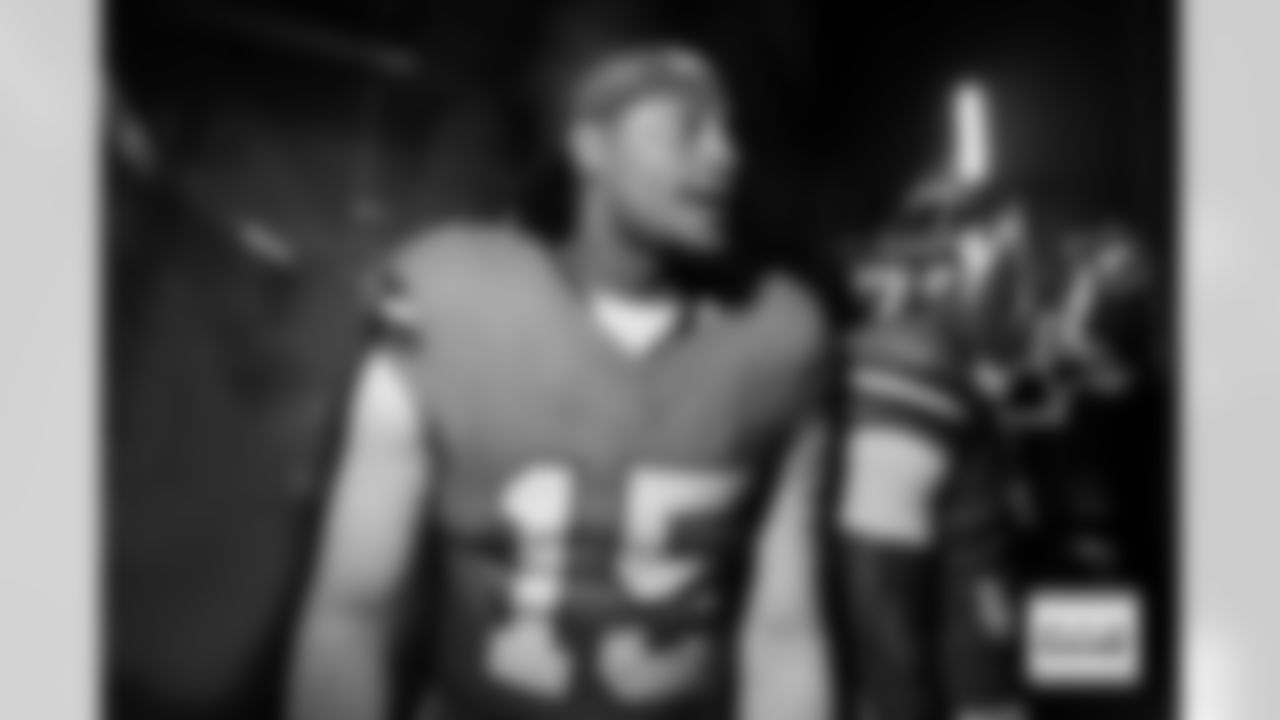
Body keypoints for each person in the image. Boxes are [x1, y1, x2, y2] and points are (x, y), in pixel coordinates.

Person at [286, 17, 835, 720]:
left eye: (729, 131)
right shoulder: (453, 297)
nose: (726, 156)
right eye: (688, 129)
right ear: (591, 146)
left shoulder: (780, 337)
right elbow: (353, 614)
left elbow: (784, 633)